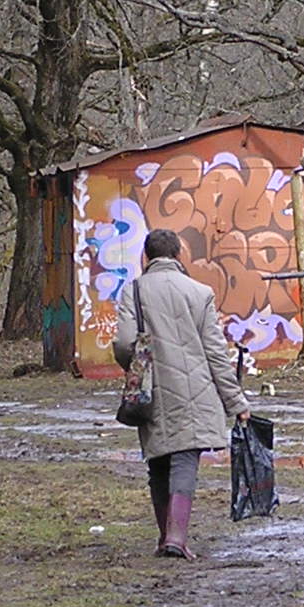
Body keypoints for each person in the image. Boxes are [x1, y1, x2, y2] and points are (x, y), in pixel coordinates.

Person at [113, 228, 250, 560]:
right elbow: (216, 353)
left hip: (152, 390)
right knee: (186, 458)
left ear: (146, 257)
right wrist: (236, 402)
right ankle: (177, 537)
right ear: (178, 255)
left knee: (158, 461)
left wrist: (136, 366)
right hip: (195, 389)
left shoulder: (133, 291)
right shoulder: (199, 292)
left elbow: (123, 343)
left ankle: (165, 537)